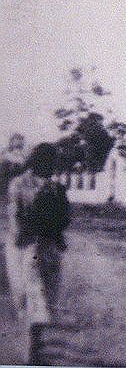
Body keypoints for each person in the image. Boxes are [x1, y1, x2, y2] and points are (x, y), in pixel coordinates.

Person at [5, 143, 70, 363]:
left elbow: (62, 218)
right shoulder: (22, 185)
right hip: (29, 246)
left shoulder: (54, 187)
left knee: (43, 294)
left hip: (43, 247)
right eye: (51, 161)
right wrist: (20, 237)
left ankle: (35, 338)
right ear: (40, 161)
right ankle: (32, 344)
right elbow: (15, 215)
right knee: (36, 293)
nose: (54, 165)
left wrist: (57, 236)